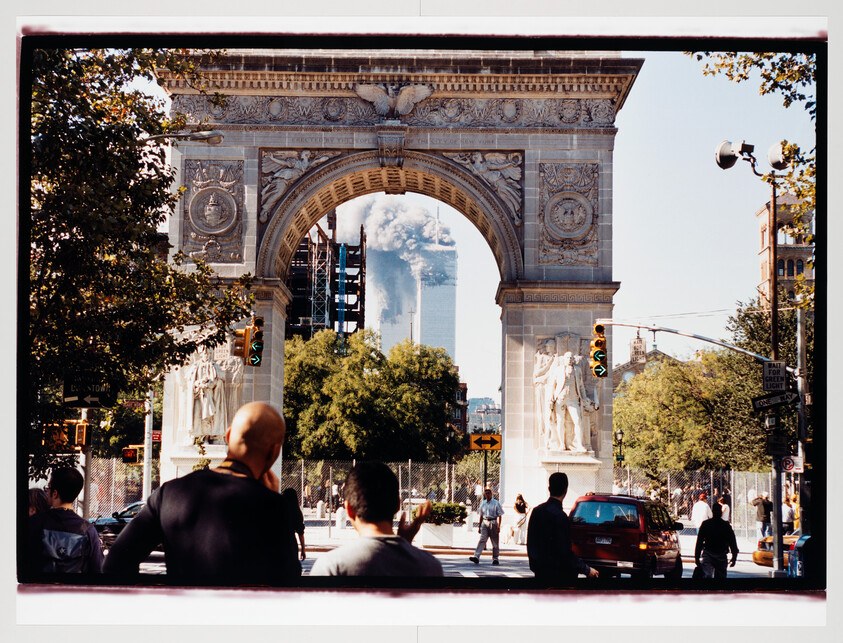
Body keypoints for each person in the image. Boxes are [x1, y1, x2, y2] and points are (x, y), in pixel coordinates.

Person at [103, 402, 301, 585]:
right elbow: (288, 580)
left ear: (229, 435)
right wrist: (270, 499)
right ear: (275, 450)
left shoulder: (168, 494)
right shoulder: (273, 506)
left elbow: (114, 564)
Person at [309, 461, 443, 577]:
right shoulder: (431, 567)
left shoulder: (331, 568)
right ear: (397, 505)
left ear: (349, 509)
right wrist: (405, 544)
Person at [26, 467, 104, 575]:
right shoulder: (88, 531)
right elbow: (97, 570)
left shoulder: (34, 522)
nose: (46, 491)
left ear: (55, 493)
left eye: (48, 488)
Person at [526, 472, 599, 583]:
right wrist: (587, 569)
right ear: (566, 490)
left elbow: (531, 543)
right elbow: (564, 552)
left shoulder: (536, 511)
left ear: (549, 488)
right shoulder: (561, 517)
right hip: (558, 576)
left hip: (540, 573)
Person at [694, 502, 739, 579]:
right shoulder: (724, 525)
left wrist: (697, 556)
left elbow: (699, 542)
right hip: (715, 553)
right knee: (712, 575)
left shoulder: (707, 524)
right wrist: (734, 556)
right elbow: (732, 542)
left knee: (708, 575)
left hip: (716, 553)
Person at [469, 487, 504, 565]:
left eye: (489, 493)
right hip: (485, 522)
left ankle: (495, 558)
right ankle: (476, 556)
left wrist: (499, 526)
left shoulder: (496, 503)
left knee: (495, 541)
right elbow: (481, 515)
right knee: (482, 539)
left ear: (491, 494)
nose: (487, 495)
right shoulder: (483, 503)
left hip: (493, 522)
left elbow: (500, 515)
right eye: (486, 493)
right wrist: (479, 526)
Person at [283, 488, 307, 560]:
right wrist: (303, 549)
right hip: (291, 542)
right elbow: (300, 533)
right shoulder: (296, 512)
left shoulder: (279, 510)